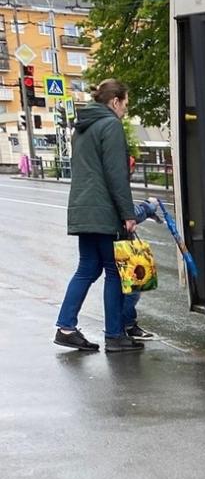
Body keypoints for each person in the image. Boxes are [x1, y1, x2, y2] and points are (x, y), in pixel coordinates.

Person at [53, 79, 143, 353]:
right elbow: (116, 174)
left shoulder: (81, 128)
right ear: (115, 101)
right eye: (125, 104)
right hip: (104, 213)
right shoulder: (110, 125)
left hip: (82, 209)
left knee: (87, 268)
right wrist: (128, 214)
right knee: (114, 273)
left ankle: (66, 327)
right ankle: (114, 335)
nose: (125, 110)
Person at [121, 197, 165, 340]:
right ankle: (125, 326)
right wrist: (147, 207)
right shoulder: (115, 178)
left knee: (123, 286)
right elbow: (127, 212)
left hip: (109, 238)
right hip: (120, 241)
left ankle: (122, 325)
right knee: (132, 287)